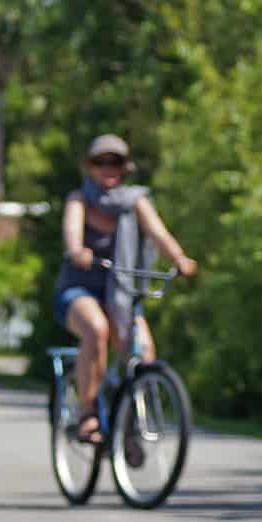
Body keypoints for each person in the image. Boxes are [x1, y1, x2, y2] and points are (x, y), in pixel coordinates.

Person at [54, 133, 197, 449]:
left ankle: (128, 421)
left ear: (124, 167)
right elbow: (72, 233)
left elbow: (159, 233)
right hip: (80, 289)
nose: (108, 167)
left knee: (143, 352)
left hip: (121, 292)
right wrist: (78, 250)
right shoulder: (79, 200)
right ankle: (88, 411)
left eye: (114, 161)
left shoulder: (135, 202)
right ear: (89, 166)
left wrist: (179, 259)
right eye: (100, 161)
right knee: (96, 329)